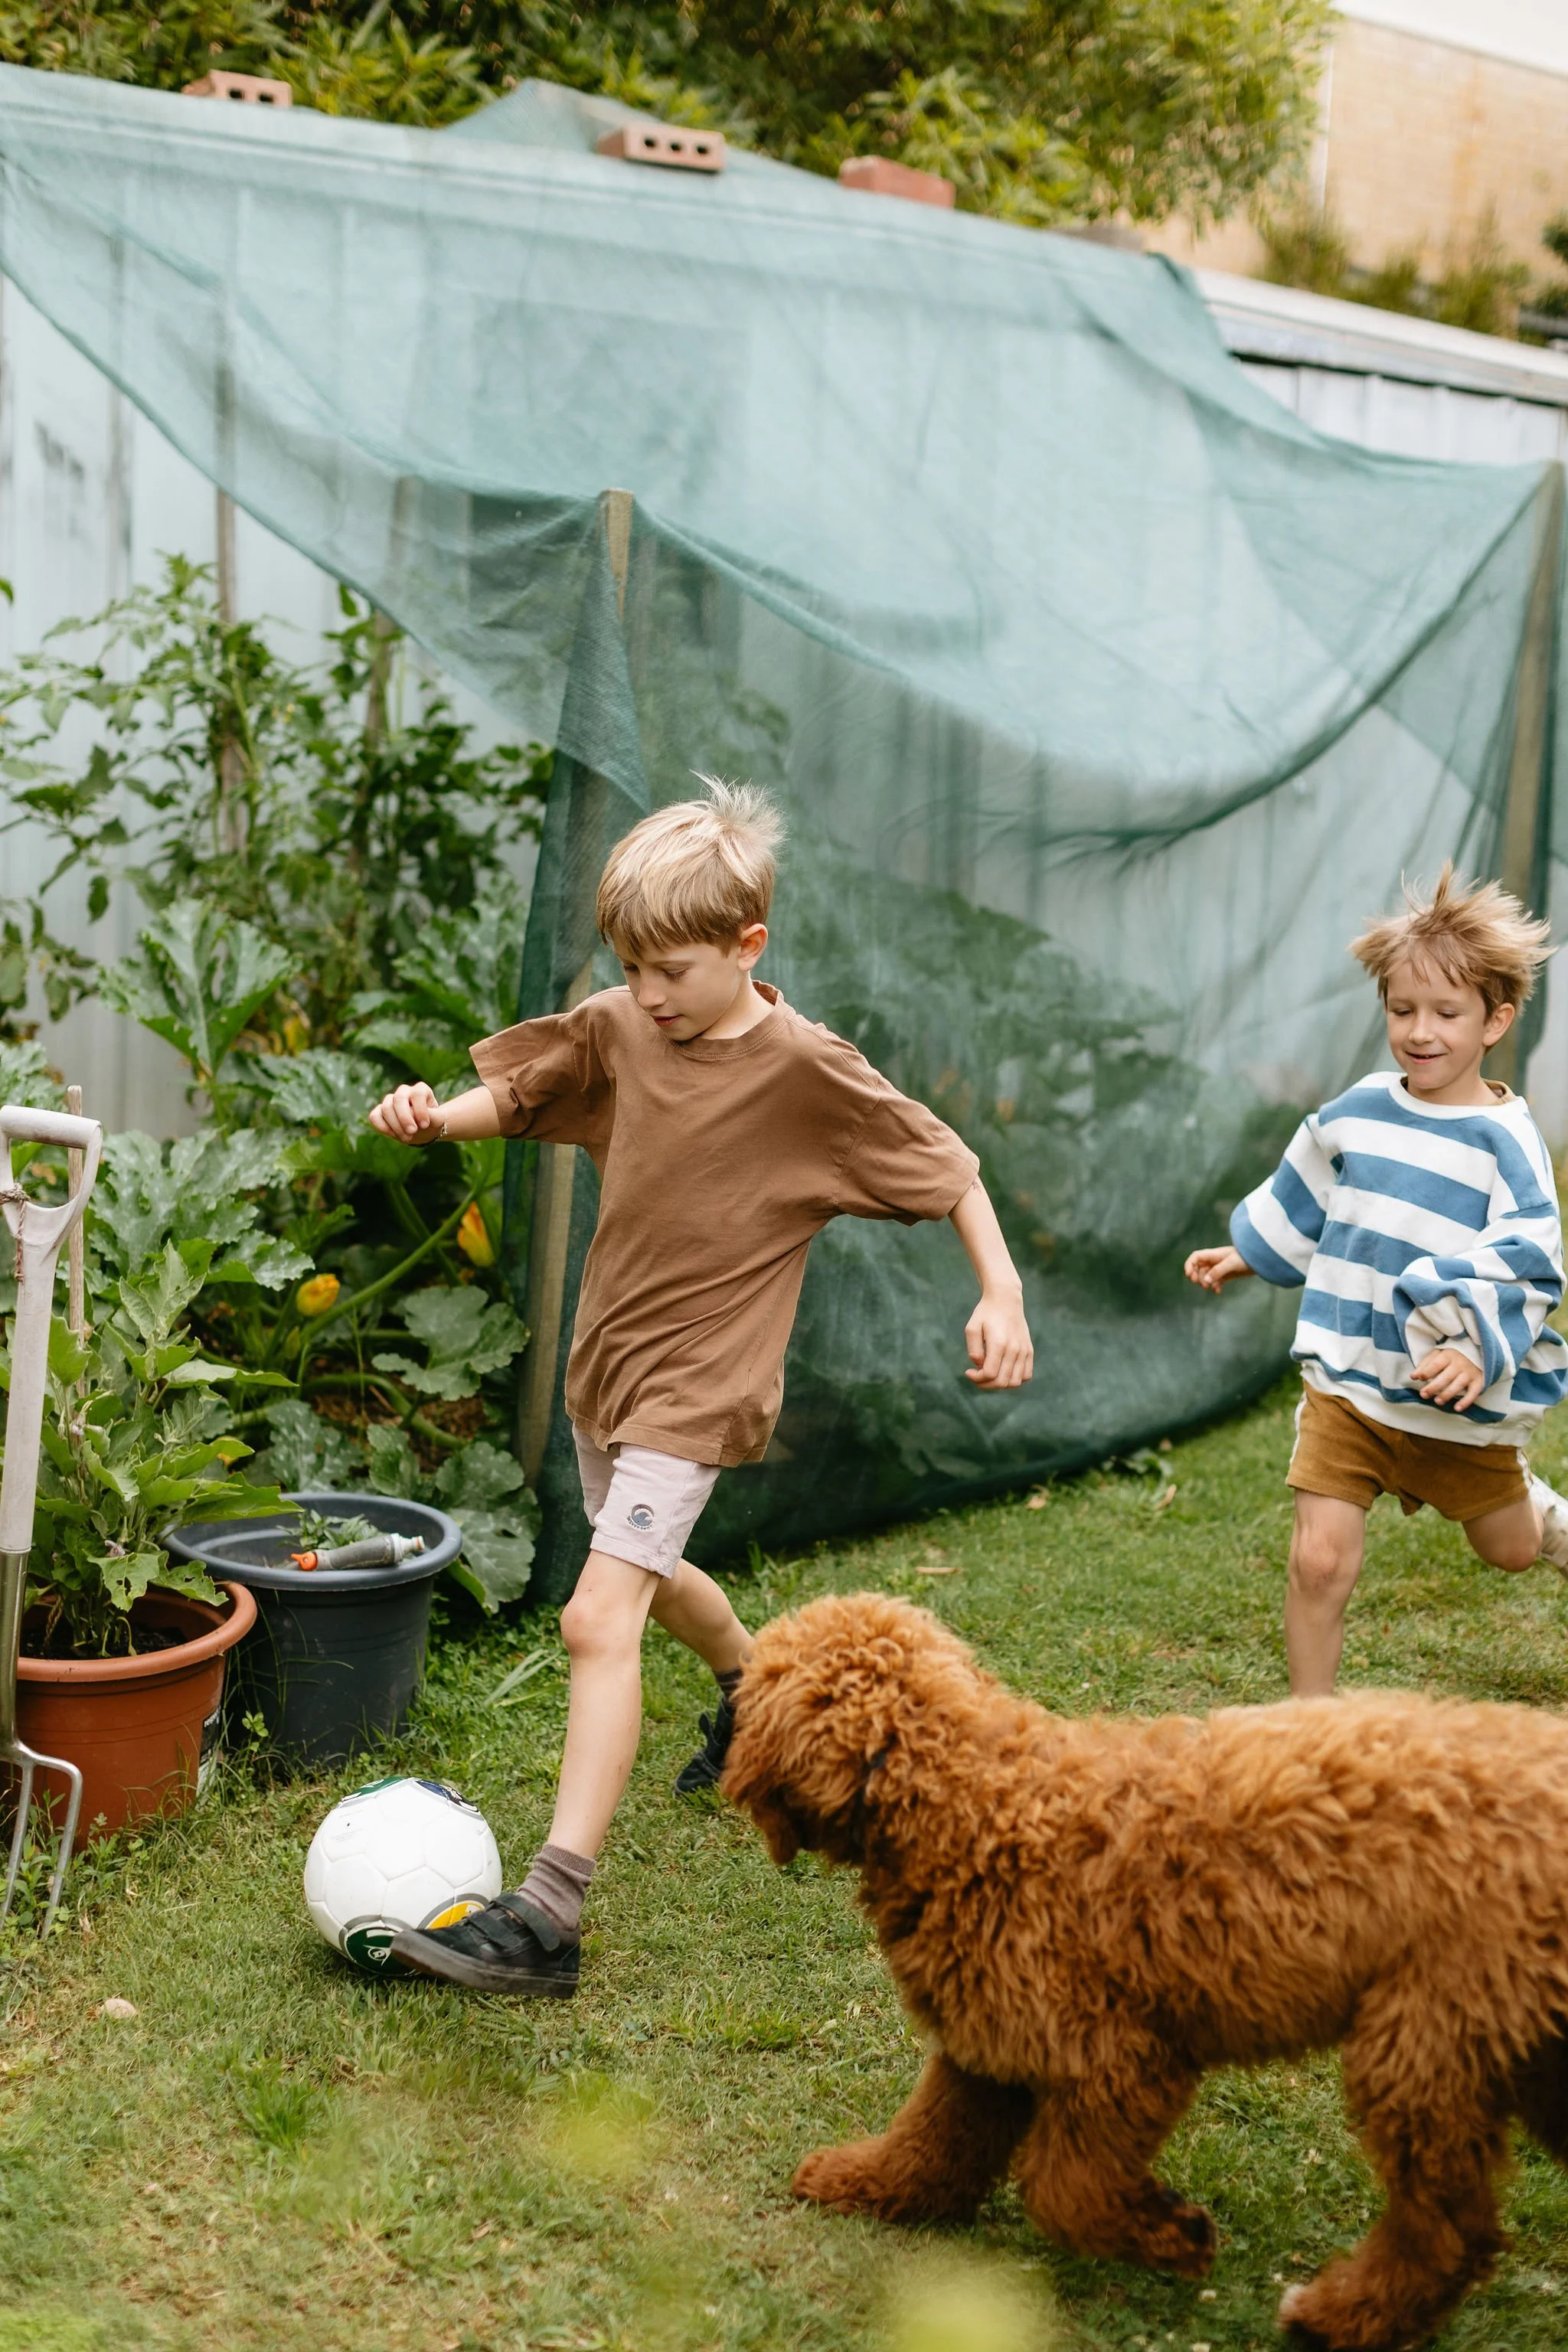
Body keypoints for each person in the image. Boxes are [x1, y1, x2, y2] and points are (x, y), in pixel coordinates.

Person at [366, 781, 1034, 1996]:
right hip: (605, 1368)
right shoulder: (625, 1028)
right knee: (654, 1572)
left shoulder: (807, 1075)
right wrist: (433, 1120)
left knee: (596, 1615)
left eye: (670, 967)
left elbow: (950, 1171)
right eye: (629, 965)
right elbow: (523, 1093)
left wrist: (1001, 1294)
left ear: (747, 947)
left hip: (701, 1391)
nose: (648, 992)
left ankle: (547, 1917)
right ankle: (747, 1693)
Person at [1185, 865, 1568, 1699]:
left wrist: (1474, 1349)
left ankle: (1542, 1517)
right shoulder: (1356, 1111)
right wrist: (1248, 1249)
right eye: (1401, 1011)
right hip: (1350, 1387)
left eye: (1445, 1013)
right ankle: (1312, 1737)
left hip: (1451, 1404)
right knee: (1318, 1561)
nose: (1418, 1032)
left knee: (1503, 1551)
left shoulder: (1504, 1139)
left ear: (1494, 1020)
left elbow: (1529, 1255)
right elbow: (1310, 1192)